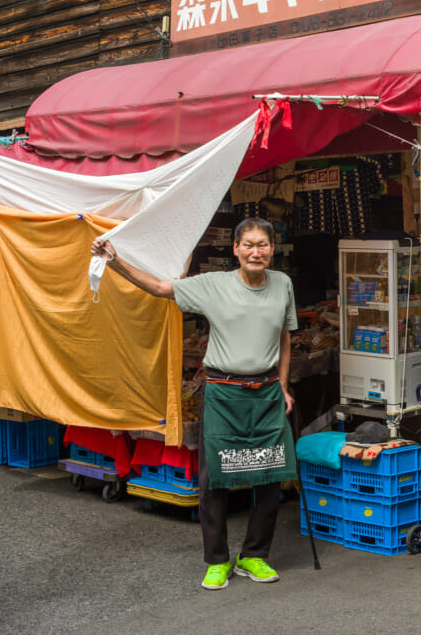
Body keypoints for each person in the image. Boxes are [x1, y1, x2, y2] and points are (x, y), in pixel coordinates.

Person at [91, 217, 298, 591]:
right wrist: (114, 260)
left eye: (263, 244)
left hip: (267, 393)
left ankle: (254, 555)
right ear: (235, 249)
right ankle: (218, 560)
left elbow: (284, 337)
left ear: (271, 248)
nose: (256, 251)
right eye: (248, 244)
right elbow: (158, 286)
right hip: (222, 390)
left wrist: (283, 386)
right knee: (213, 478)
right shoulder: (213, 285)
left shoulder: (283, 284)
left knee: (269, 476)